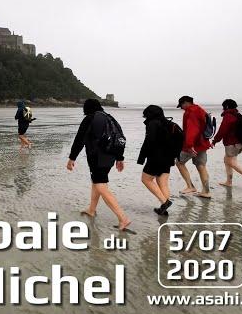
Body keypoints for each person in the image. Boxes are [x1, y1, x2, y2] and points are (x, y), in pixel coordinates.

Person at [66, 98, 131, 231]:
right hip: (110, 156)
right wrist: (119, 158)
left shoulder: (90, 118)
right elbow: (120, 138)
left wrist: (72, 158)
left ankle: (123, 218)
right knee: (97, 182)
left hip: (97, 157)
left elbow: (79, 139)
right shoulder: (109, 118)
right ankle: (91, 209)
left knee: (100, 185)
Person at [212, 99, 242, 191]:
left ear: (226, 106)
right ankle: (229, 182)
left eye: (223, 107)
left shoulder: (228, 116)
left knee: (231, 162)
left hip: (232, 144)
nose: (222, 109)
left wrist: (214, 141)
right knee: (227, 160)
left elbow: (222, 130)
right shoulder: (237, 115)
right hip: (238, 143)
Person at [137, 105, 176, 216]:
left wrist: (141, 158)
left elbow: (149, 141)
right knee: (163, 183)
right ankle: (163, 209)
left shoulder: (152, 123)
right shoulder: (168, 123)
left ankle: (165, 203)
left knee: (146, 179)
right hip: (168, 157)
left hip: (156, 157)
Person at [175, 95, 212, 198]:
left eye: (181, 105)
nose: (182, 108)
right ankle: (206, 191)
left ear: (186, 103)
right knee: (201, 166)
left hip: (193, 145)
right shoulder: (200, 110)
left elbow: (192, 129)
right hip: (202, 143)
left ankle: (190, 186)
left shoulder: (191, 112)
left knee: (179, 162)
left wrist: (190, 145)